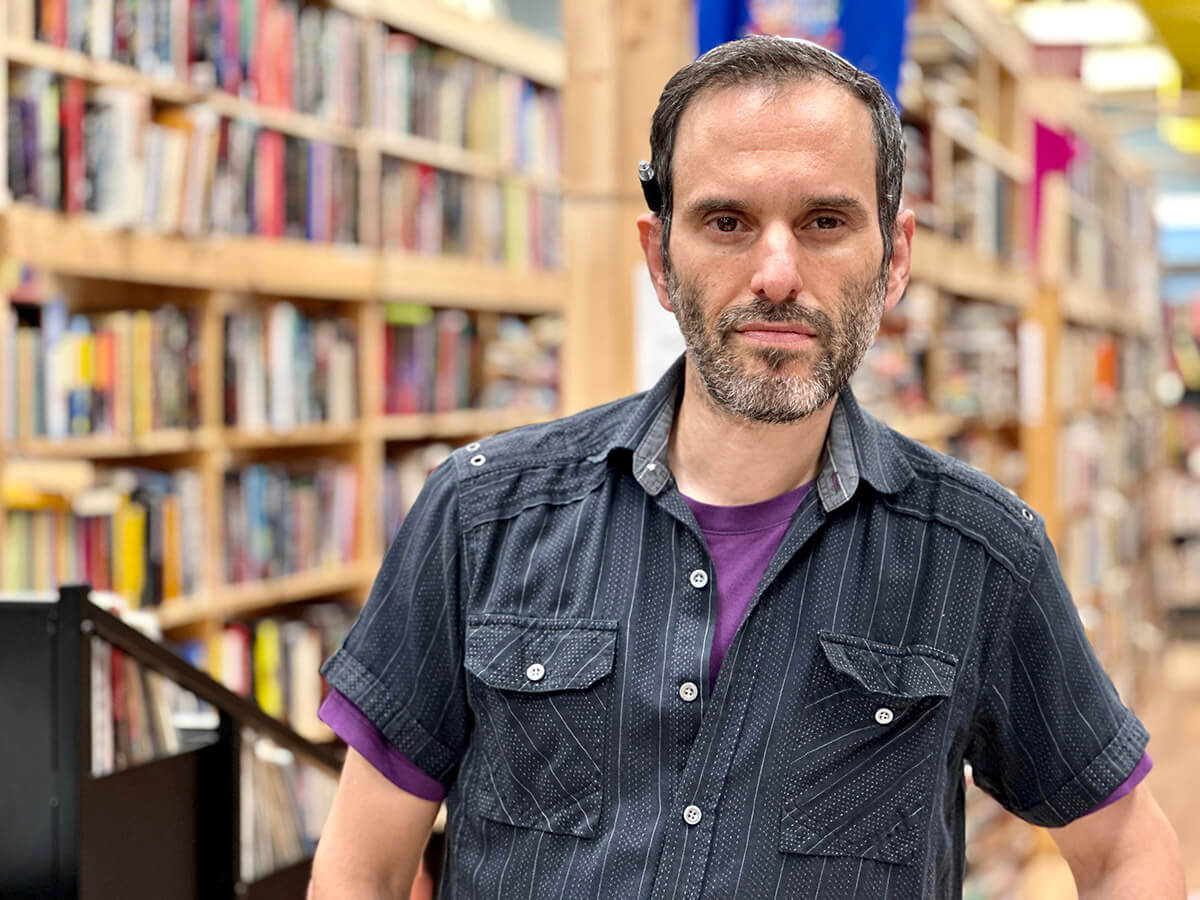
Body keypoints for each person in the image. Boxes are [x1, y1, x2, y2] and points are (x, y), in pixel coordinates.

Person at [310, 35, 1183, 898]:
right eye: (727, 222)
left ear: (896, 259)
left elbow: (1126, 852)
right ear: (659, 257)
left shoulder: (980, 555)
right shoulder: (481, 515)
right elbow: (363, 869)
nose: (776, 273)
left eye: (825, 222)